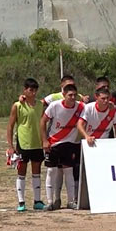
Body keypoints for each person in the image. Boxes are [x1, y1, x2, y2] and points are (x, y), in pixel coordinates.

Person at [40, 82, 84, 210]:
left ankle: (71, 201)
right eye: (70, 95)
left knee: (68, 171)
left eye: (75, 95)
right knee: (51, 171)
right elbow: (43, 121)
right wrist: (44, 140)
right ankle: (50, 201)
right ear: (64, 95)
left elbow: (94, 106)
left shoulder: (80, 107)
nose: (72, 97)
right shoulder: (54, 106)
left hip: (69, 143)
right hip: (53, 143)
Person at [6, 78, 46, 212]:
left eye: (35, 90)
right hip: (23, 142)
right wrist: (10, 146)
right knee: (21, 172)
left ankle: (37, 200)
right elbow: (10, 126)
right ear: (25, 90)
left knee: (37, 172)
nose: (33, 93)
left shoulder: (40, 105)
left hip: (37, 143)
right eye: (30, 90)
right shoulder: (18, 105)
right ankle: (21, 201)